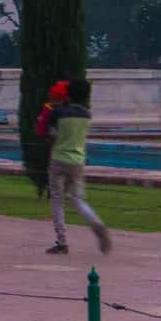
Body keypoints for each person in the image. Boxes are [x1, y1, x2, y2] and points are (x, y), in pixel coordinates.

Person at [42, 77, 111, 255]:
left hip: (58, 158)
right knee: (78, 200)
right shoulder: (87, 115)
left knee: (57, 200)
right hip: (78, 160)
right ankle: (98, 225)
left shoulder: (57, 113)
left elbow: (50, 136)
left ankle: (62, 242)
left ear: (68, 95)